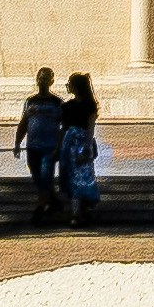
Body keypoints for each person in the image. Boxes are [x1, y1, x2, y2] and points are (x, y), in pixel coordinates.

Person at [15, 68, 68, 221]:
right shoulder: (30, 101)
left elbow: (63, 126)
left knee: (46, 176)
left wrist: (59, 146)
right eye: (41, 77)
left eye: (46, 78)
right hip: (32, 146)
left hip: (49, 146)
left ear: (51, 81)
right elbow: (24, 123)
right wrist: (17, 143)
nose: (43, 81)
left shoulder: (57, 102)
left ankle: (40, 209)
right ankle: (54, 201)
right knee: (37, 176)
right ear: (37, 80)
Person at [55, 70, 104, 227]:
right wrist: (88, 145)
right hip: (80, 142)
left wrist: (59, 146)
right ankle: (79, 212)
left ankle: (76, 213)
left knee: (73, 177)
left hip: (70, 143)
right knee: (83, 177)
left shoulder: (67, 107)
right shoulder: (89, 105)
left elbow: (63, 128)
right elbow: (90, 127)